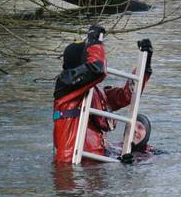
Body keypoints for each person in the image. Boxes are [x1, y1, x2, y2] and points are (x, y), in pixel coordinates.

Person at [52, 25, 153, 163]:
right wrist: (94, 43)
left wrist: (144, 67)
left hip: (96, 170)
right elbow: (97, 69)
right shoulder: (65, 85)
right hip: (72, 168)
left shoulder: (98, 94)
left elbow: (127, 95)